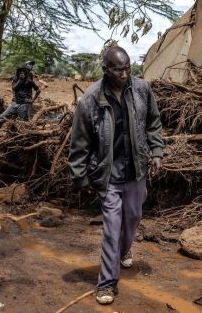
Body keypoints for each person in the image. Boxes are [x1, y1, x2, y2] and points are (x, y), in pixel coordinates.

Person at [68, 46, 164, 305]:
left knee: (133, 217)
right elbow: (79, 142)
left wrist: (156, 151)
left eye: (127, 68)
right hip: (108, 174)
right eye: (118, 70)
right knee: (112, 228)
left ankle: (124, 250)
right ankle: (107, 283)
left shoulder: (142, 89)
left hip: (136, 170)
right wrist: (80, 175)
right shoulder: (90, 99)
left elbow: (153, 122)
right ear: (105, 70)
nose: (124, 74)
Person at [0, 64, 41, 130]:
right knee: (2, 118)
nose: (22, 73)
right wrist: (20, 80)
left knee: (25, 122)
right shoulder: (16, 79)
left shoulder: (29, 81)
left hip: (24, 104)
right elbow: (13, 88)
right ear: (18, 72)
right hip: (15, 103)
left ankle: (26, 135)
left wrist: (32, 100)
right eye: (20, 71)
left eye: (23, 71)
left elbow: (38, 90)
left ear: (26, 72)